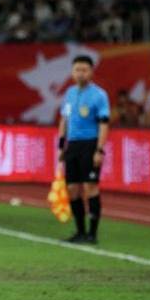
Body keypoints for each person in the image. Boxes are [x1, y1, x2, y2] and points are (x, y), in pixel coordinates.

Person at [58, 55, 110, 244]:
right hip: (73, 145)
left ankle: (92, 234)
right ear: (72, 72)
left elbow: (104, 123)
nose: (80, 73)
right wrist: (61, 145)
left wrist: (99, 150)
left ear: (91, 72)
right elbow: (64, 120)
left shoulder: (99, 95)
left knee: (90, 187)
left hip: (90, 144)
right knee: (72, 189)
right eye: (77, 70)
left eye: (84, 70)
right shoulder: (70, 94)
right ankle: (80, 231)